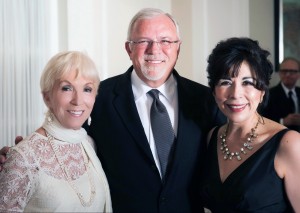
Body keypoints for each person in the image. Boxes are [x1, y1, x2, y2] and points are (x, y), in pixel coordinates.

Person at [1, 8, 225, 213]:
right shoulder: (98, 96)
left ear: (178, 47)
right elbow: (68, 139)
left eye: (165, 40)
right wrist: (19, 162)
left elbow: (232, 149)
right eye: (143, 41)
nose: (155, 49)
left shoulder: (205, 100)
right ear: (129, 48)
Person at [0, 51, 112, 212]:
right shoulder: (23, 157)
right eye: (67, 88)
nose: (78, 100)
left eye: (87, 89)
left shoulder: (89, 144)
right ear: (47, 97)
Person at [198, 37, 300, 212]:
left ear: (262, 91)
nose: (236, 94)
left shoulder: (290, 143)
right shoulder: (211, 137)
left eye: (248, 83)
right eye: (225, 82)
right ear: (214, 92)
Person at [263, 57, 300, 131]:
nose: (288, 74)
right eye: (284, 71)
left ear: (298, 74)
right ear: (279, 73)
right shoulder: (268, 94)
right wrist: (282, 121)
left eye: (292, 71)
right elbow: (261, 121)